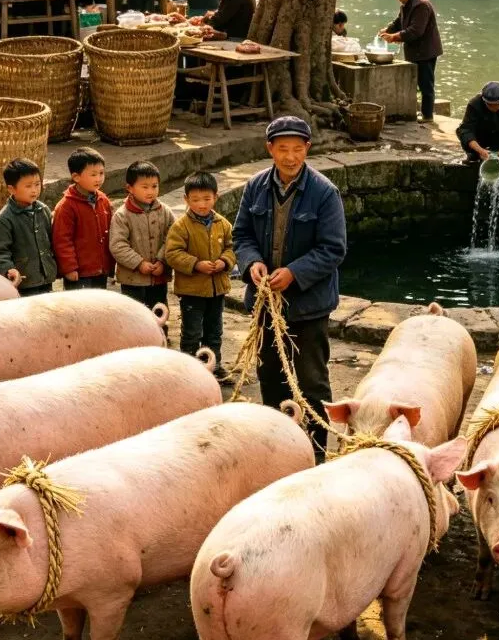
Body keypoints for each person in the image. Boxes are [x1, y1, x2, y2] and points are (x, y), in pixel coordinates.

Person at [232, 116, 347, 459]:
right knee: (270, 375)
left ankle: (316, 452)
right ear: (270, 149)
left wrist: (294, 273)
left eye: (298, 149)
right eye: (283, 149)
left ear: (307, 149)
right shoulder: (255, 187)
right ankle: (277, 449)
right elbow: (242, 235)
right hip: (267, 304)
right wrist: (252, 262)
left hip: (309, 306)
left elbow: (334, 248)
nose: (291, 157)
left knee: (311, 381)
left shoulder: (324, 192)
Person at [164, 170, 236, 377]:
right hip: (192, 290)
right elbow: (173, 254)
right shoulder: (181, 226)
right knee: (192, 331)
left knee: (214, 330)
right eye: (195, 200)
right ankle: (189, 369)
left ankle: (214, 365)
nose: (202, 204)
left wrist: (224, 261)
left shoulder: (223, 224)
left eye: (206, 199)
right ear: (186, 199)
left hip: (217, 289)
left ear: (216, 197)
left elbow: (232, 247)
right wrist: (196, 264)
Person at [109, 160, 174, 316]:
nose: (150, 191)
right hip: (132, 279)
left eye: (154, 186)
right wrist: (139, 263)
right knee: (135, 316)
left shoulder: (165, 211)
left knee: (159, 313)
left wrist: (162, 260)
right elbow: (118, 245)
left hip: (159, 276)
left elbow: (173, 238)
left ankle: (159, 333)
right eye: (145, 187)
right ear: (130, 188)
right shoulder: (122, 215)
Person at [0, 158, 57, 296]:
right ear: (11, 189)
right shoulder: (4, 220)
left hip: (46, 277)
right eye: (28, 186)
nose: (34, 190)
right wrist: (8, 269)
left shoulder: (43, 210)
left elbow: (52, 240)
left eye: (37, 184)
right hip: (23, 282)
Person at [379, 0, 443, 122]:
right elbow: (399, 21)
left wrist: (394, 37)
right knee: (416, 82)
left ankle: (427, 115)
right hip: (415, 50)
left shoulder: (421, 5)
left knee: (426, 84)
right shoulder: (408, 3)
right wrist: (388, 29)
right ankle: (419, 111)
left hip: (425, 51)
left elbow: (416, 31)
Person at [51, 147, 113, 291]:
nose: (99, 178)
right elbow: (62, 240)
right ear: (76, 177)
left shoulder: (103, 199)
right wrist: (69, 268)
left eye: (101, 173)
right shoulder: (66, 206)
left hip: (101, 269)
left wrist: (110, 264)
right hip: (79, 273)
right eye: (93, 174)